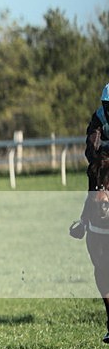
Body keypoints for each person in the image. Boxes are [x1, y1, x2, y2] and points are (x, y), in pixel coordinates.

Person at [70, 83, 109, 238]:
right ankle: (84, 222)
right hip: (104, 156)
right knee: (94, 179)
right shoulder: (98, 116)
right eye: (107, 104)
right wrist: (96, 160)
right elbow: (92, 141)